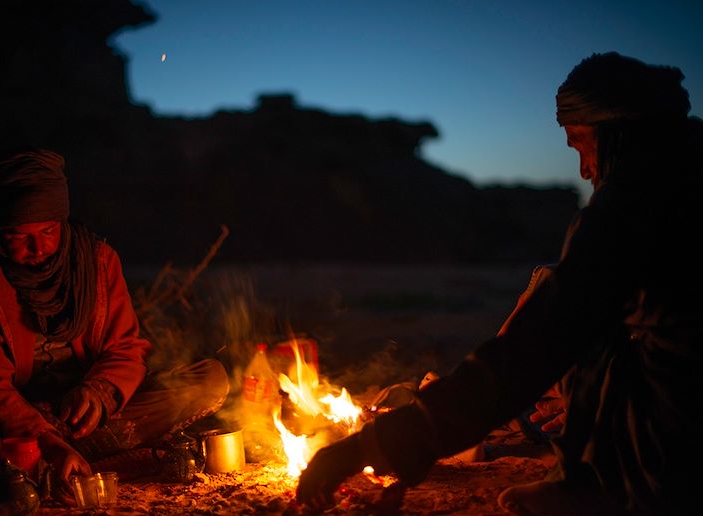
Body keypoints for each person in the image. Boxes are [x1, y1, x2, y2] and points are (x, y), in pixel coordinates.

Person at [297, 51, 703, 515]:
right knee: (560, 292)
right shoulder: (683, 165)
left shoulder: (634, 207)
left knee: (575, 322)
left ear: (613, 129)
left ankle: (596, 484)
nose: (585, 170)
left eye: (578, 144)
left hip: (680, 455)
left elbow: (532, 349)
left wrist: (368, 447)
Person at [0, 148, 230, 502]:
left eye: (48, 231)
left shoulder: (96, 261)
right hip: (22, 418)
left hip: (86, 414)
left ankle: (39, 467)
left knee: (209, 378)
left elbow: (125, 348)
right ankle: (69, 455)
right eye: (19, 237)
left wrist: (99, 391)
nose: (38, 247)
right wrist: (42, 434)